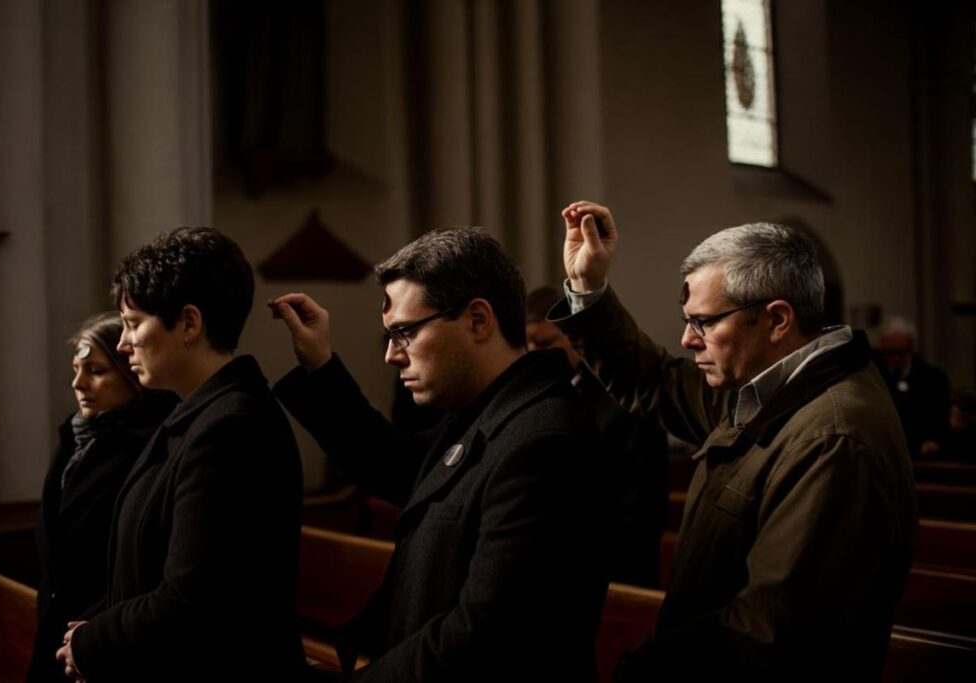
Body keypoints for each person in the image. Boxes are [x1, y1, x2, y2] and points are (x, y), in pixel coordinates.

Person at [549, 201, 917, 681]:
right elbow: (656, 381)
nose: (687, 339)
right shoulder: (767, 390)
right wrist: (588, 287)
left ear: (777, 319)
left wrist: (640, 671)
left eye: (704, 322)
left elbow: (766, 637)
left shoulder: (834, 440)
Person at [270, 227, 609, 681]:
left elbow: (482, 635)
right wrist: (320, 365)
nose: (392, 355)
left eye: (405, 332)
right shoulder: (487, 414)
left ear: (478, 319)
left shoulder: (543, 440)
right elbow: (391, 464)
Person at [56, 227, 306, 682]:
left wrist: (94, 640)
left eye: (133, 323)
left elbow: (194, 597)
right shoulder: (193, 415)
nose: (124, 343)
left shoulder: (232, 427)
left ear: (189, 324)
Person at [26, 313, 174, 683]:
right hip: (58, 625)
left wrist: (96, 632)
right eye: (76, 368)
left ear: (131, 377)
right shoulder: (74, 439)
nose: (78, 383)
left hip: (105, 633)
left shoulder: (148, 448)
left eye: (95, 371)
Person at [526, 285, 668, 587]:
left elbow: (642, 514)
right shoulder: (530, 397)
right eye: (526, 344)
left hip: (615, 576)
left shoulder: (625, 399)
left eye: (544, 343)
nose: (533, 354)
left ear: (574, 338)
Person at [876, 316, 951, 457]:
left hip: (923, 454)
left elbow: (942, 420)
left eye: (902, 352)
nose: (896, 358)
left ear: (911, 348)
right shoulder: (876, 377)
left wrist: (935, 442)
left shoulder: (934, 378)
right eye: (891, 353)